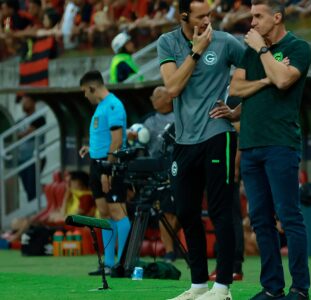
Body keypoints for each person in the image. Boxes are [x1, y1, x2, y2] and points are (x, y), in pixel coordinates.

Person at [210, 0, 311, 298]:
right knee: (260, 220)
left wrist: (265, 54)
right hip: (251, 145)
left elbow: (283, 81)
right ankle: (271, 289)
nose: (251, 22)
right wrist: (265, 79)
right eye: (251, 16)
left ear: (277, 17)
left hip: (281, 143)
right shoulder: (249, 52)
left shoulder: (298, 47)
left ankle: (300, 289)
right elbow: (236, 90)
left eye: (258, 16)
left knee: (289, 217)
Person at [157, 0, 245, 298]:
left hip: (217, 134)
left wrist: (237, 111)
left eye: (209, 14)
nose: (208, 20)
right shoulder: (168, 42)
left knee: (221, 211)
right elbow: (171, 89)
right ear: (183, 17)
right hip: (184, 141)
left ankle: (223, 287)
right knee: (185, 211)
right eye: (200, 16)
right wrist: (195, 51)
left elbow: (261, 72)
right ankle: (197, 285)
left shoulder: (225, 42)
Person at [78, 70, 130, 276]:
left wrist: (108, 168)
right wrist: (92, 149)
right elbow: (104, 138)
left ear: (92, 88)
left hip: (111, 165)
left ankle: (124, 262)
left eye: (85, 91)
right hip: (96, 162)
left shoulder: (113, 105)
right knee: (104, 212)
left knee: (117, 210)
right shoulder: (100, 107)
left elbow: (117, 140)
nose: (85, 96)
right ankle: (108, 263)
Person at [129, 86, 180, 263]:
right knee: (164, 211)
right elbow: (134, 137)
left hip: (179, 168)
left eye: (156, 96)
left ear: (168, 98)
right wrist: (131, 136)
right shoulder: (148, 120)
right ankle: (170, 252)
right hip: (157, 171)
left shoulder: (180, 117)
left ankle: (175, 247)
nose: (152, 99)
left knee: (180, 211)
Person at [17, 94, 46, 202]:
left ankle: (36, 211)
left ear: (33, 102)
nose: (23, 104)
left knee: (32, 187)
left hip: (35, 158)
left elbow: (28, 132)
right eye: (22, 102)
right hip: (22, 159)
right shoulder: (20, 120)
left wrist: (17, 135)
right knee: (27, 189)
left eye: (26, 101)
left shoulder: (39, 117)